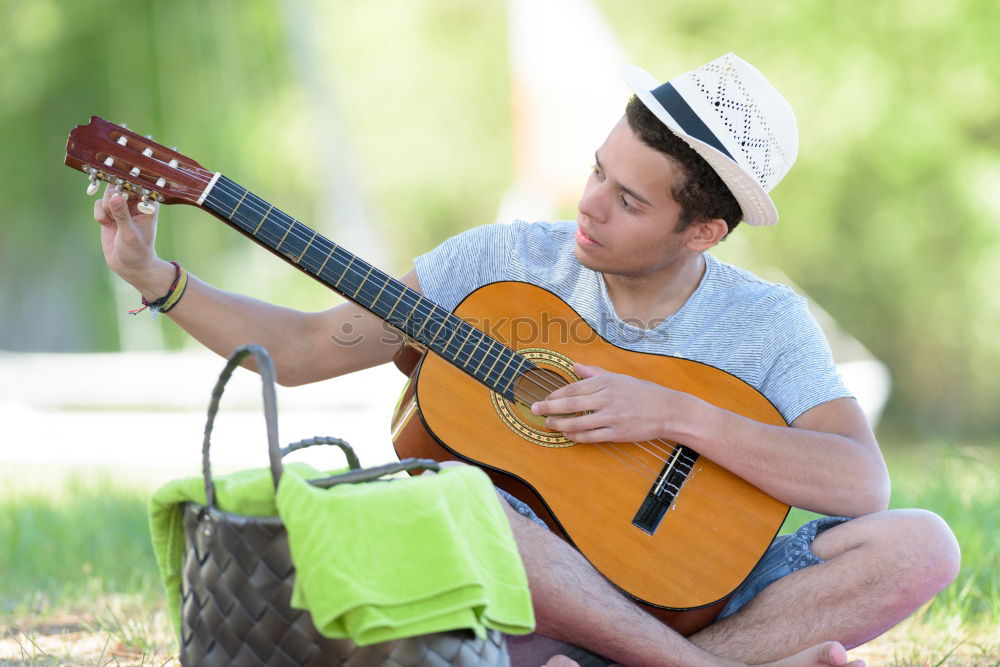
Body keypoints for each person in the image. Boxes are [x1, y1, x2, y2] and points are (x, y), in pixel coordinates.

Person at [93, 53, 959, 667]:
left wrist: (672, 412)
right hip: (542, 587)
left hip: (709, 582)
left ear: (702, 232)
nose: (588, 206)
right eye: (595, 171)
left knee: (923, 544)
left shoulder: (765, 321)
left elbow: (860, 483)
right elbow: (303, 347)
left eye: (627, 199)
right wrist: (158, 276)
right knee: (471, 510)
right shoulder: (496, 264)